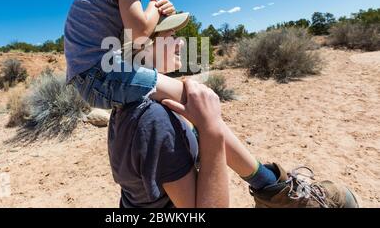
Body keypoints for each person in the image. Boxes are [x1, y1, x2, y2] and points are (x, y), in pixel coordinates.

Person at [108, 29, 360, 208]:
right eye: (170, 35)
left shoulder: (130, 107)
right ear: (141, 47)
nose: (180, 43)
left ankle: (274, 189)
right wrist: (211, 130)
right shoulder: (153, 119)